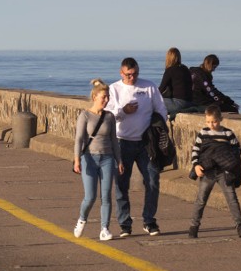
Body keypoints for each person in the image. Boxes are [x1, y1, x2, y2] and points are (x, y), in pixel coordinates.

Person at [106, 57, 168, 237]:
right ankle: (125, 223)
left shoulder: (148, 87)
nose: (132, 78)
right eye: (128, 75)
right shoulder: (114, 89)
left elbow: (161, 109)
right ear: (121, 73)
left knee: (152, 180)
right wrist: (124, 111)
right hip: (121, 142)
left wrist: (160, 130)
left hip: (145, 143)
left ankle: (149, 220)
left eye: (135, 74)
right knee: (121, 184)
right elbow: (109, 116)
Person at [73, 79, 124, 242]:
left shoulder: (109, 117)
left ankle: (105, 229)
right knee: (90, 197)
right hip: (89, 158)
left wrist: (119, 160)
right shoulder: (85, 115)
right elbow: (79, 139)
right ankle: (82, 219)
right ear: (95, 97)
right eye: (103, 97)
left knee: (106, 196)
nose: (106, 100)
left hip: (107, 158)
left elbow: (114, 140)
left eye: (108, 97)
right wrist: (76, 160)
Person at [188, 105, 241, 238]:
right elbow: (195, 151)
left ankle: (240, 225)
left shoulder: (228, 133)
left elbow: (237, 150)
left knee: (231, 198)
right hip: (207, 172)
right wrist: (196, 166)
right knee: (201, 199)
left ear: (220, 119)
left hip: (224, 171)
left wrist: (227, 162)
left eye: (214, 121)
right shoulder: (203, 133)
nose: (211, 124)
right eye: (208, 121)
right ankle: (194, 226)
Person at [158, 47, 196, 119]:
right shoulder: (185, 68)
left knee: (153, 102)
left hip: (179, 103)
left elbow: (161, 89)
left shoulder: (170, 70)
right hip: (190, 102)